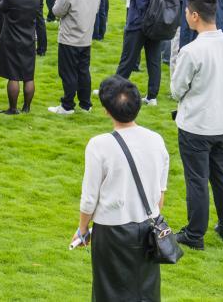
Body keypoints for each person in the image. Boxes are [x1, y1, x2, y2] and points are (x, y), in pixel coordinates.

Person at [73, 75, 170, 302]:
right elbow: (160, 192)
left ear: (106, 110)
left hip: (111, 231)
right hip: (148, 226)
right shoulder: (156, 139)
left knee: (108, 292)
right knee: (146, 292)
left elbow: (89, 198)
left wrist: (83, 229)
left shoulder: (99, 145)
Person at [171, 0, 223, 250]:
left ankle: (194, 234)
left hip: (197, 125)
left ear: (195, 16)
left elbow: (176, 89)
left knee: (197, 180)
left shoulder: (192, 51)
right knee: (221, 175)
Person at [112, 0, 171, 104]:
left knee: (127, 60)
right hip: (156, 23)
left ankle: (115, 90)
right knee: (154, 61)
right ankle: (152, 97)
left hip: (137, 24)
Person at [49, 0, 98, 115]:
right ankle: (85, 104)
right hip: (86, 38)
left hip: (69, 39)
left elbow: (57, 12)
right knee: (83, 71)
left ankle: (67, 106)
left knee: (68, 72)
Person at [0, 0, 43, 114]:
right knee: (28, 76)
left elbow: (0, 6)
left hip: (11, 39)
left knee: (13, 76)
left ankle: (13, 108)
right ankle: (26, 107)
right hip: (29, 39)